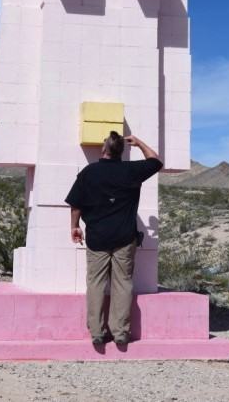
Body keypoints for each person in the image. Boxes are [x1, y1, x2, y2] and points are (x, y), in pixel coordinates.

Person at [64, 131, 163, 348]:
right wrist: (139, 142)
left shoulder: (89, 173)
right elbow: (156, 161)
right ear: (122, 150)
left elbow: (76, 204)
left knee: (96, 284)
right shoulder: (131, 171)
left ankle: (98, 333)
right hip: (124, 238)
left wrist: (74, 226)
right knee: (123, 283)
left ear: (103, 150)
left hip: (97, 237)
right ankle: (120, 333)